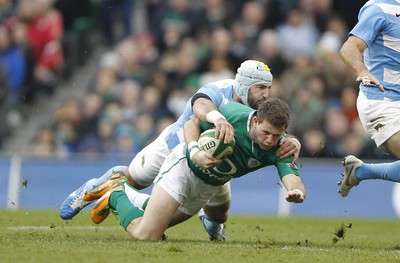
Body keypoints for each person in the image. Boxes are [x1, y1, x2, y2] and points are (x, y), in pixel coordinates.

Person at [59, 60, 302, 240]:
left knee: (219, 212)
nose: (265, 94)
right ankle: (103, 184)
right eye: (261, 87)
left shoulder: (258, 115)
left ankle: (213, 225)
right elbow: (200, 106)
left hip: (217, 159)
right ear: (245, 83)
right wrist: (217, 119)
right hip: (179, 144)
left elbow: (270, 125)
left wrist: (292, 141)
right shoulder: (221, 91)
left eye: (268, 89)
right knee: (136, 179)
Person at [85, 98, 306, 241]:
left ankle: (128, 197)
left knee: (157, 222)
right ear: (256, 121)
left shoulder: (281, 146)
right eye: (266, 132)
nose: (269, 140)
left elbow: (292, 178)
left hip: (208, 187)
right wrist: (195, 152)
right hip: (184, 168)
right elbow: (192, 124)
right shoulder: (233, 114)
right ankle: (116, 195)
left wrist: (297, 192)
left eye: (276, 135)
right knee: (146, 234)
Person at [338, 0, 400, 197]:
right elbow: (348, 48)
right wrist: (362, 70)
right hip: (381, 101)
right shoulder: (379, 9)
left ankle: (360, 171)